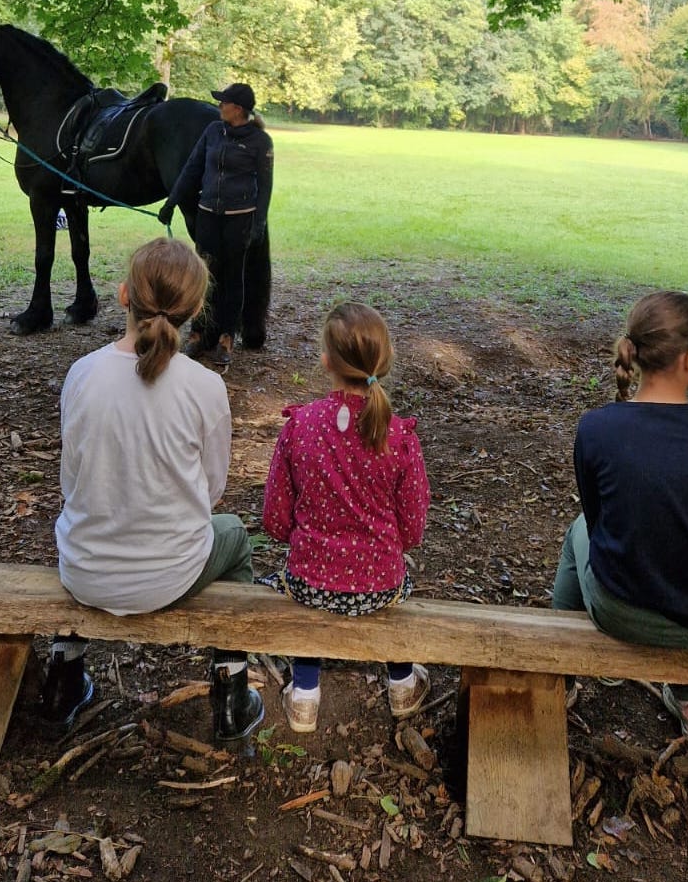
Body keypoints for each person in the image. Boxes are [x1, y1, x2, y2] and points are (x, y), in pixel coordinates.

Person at [43, 237, 265, 743]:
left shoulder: (82, 374)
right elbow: (210, 494)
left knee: (76, 518)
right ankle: (230, 689)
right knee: (233, 535)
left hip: (84, 569)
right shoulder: (205, 387)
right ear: (194, 310)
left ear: (124, 296)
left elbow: (71, 481)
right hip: (169, 574)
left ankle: (64, 675)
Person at [552, 291, 688, 748]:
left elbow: (596, 519)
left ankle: (562, 678)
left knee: (578, 529)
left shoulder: (596, 428)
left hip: (621, 609)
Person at [260, 302, 431, 732]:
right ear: (384, 361)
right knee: (394, 594)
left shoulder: (301, 426)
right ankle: (402, 681)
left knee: (306, 589)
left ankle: (304, 694)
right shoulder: (398, 435)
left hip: (310, 582)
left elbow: (276, 519)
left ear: (325, 361)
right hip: (379, 584)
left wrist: (309, 540)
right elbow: (412, 529)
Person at [158, 82, 274, 372]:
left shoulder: (261, 141)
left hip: (240, 218)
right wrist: (172, 202)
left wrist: (257, 223)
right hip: (208, 215)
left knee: (234, 277)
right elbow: (192, 168)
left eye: (224, 102)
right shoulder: (212, 132)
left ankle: (226, 337)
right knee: (205, 276)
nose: (219, 106)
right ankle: (199, 333)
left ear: (237, 108)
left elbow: (266, 188)